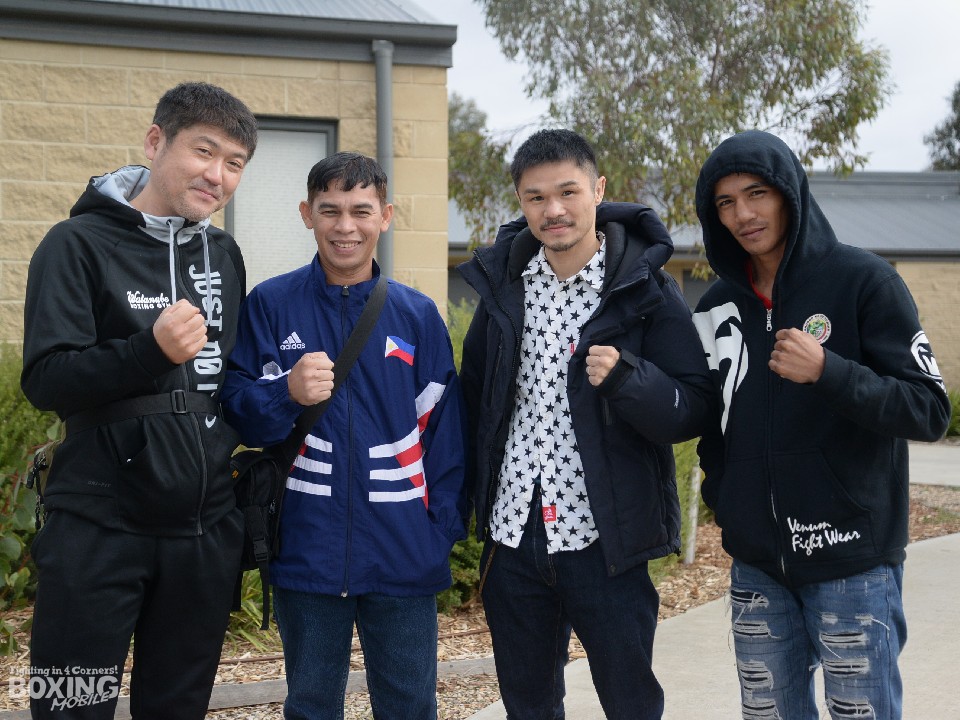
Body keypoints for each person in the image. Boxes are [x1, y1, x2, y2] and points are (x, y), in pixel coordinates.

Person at [692, 130, 951, 720]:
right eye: (725, 202)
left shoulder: (864, 281)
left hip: (851, 561)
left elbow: (929, 409)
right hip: (758, 567)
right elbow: (713, 420)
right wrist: (728, 501)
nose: (743, 214)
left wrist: (829, 371)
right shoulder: (716, 307)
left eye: (756, 194)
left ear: (789, 193)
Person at [20, 82, 258, 719]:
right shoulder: (75, 244)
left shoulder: (224, 254)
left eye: (234, 163)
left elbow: (225, 380)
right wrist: (148, 351)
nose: (217, 175)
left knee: (177, 709)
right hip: (97, 527)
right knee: (71, 707)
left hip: (203, 530)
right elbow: (46, 379)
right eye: (203, 151)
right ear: (156, 142)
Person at [458, 128, 713, 719]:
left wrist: (629, 380)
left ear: (597, 190)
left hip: (606, 540)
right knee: (528, 706)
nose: (553, 210)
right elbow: (475, 400)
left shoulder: (646, 290)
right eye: (536, 197)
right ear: (521, 202)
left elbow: (695, 403)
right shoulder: (505, 290)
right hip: (513, 534)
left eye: (567, 192)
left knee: (630, 703)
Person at [220, 151, 466, 720]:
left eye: (361, 210)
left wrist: (439, 532)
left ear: (386, 216)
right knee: (310, 706)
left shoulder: (417, 314)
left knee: (410, 707)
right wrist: (286, 392)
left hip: (405, 553)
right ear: (307, 214)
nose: (345, 226)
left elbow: (445, 436)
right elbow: (239, 415)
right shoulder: (270, 305)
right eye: (330, 210)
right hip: (306, 550)